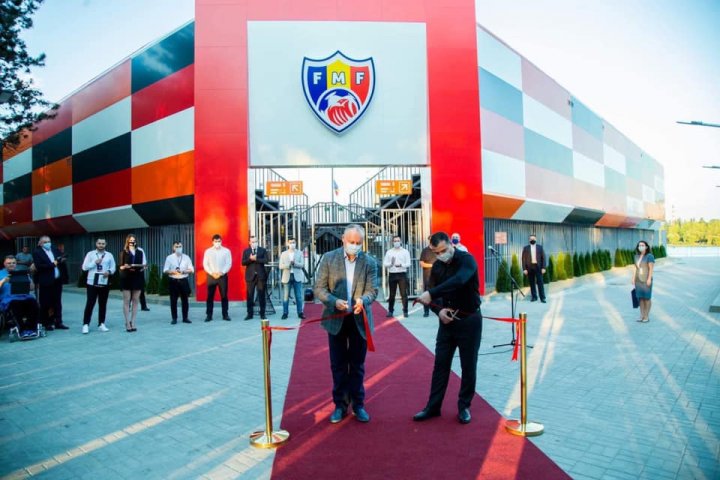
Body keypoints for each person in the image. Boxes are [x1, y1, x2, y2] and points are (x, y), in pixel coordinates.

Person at [415, 231, 482, 425]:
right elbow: (434, 297)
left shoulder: (466, 260)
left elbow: (459, 280)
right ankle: (433, 407)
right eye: (437, 252)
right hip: (447, 322)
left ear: (451, 245)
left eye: (444, 250)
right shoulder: (437, 266)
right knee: (441, 364)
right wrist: (439, 311)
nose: (442, 254)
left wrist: (431, 293)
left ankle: (464, 406)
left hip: (469, 320)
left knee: (468, 365)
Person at [314, 224, 378, 424]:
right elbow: (319, 288)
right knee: (338, 364)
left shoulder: (369, 262)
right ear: (343, 239)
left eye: (358, 243)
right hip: (336, 318)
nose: (355, 246)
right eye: (351, 242)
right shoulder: (328, 258)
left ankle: (358, 404)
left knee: (357, 365)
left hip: (359, 318)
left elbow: (372, 290)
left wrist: (363, 301)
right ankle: (340, 405)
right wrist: (334, 301)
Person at [32, 235, 68, 330]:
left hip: (57, 280)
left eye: (49, 241)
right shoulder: (37, 252)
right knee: (45, 303)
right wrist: (52, 264)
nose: (48, 243)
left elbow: (59, 259)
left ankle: (58, 322)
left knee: (57, 302)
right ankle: (46, 322)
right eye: (45, 242)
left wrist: (61, 260)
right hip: (46, 281)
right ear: (40, 243)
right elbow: (39, 266)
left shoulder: (54, 249)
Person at [81, 238, 116, 334]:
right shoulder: (90, 254)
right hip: (92, 282)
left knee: (103, 303)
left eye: (103, 243)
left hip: (104, 282)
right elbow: (84, 267)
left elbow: (113, 267)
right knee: (90, 303)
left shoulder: (109, 255)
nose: (101, 245)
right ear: (96, 244)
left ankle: (101, 323)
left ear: (106, 244)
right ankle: (85, 324)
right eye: (99, 243)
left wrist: (109, 272)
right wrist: (94, 263)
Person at [0, 255, 39, 337]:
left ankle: (31, 328)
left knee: (33, 302)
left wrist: (28, 278)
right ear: (4, 264)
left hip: (24, 297)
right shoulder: (1, 274)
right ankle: (22, 330)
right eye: (9, 263)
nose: (11, 264)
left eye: (13, 263)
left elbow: (31, 288)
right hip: (9, 299)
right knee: (15, 304)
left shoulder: (21, 273)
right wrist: (3, 281)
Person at [119, 234, 146, 332]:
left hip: (137, 277)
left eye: (134, 240)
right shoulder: (123, 252)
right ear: (127, 242)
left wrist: (143, 267)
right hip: (126, 277)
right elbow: (120, 266)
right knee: (127, 300)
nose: (132, 242)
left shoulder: (140, 252)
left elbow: (143, 264)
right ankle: (127, 322)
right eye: (130, 240)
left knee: (135, 300)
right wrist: (125, 267)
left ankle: (133, 322)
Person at [163, 241, 194, 325]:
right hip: (173, 281)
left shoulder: (186, 257)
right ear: (173, 248)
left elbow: (191, 269)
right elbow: (165, 270)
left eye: (180, 246)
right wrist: (173, 272)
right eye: (176, 246)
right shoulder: (169, 258)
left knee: (185, 300)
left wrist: (184, 271)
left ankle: (185, 318)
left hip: (183, 280)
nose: (178, 248)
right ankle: (174, 318)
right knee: (173, 301)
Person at [203, 234, 232, 321]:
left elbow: (229, 263)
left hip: (222, 276)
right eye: (216, 241)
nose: (217, 243)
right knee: (210, 297)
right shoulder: (208, 251)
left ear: (221, 241)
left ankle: (225, 314)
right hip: (211, 276)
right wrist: (212, 273)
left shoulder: (226, 251)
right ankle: (209, 315)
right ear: (212, 242)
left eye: (219, 241)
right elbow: (205, 264)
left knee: (224, 296)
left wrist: (222, 272)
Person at [382, 235, 411, 318]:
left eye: (398, 241)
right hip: (392, 274)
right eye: (395, 241)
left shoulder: (405, 251)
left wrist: (401, 265)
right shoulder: (389, 252)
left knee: (403, 294)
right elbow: (385, 263)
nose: (396, 242)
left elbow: (408, 263)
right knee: (392, 294)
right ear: (392, 242)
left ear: (400, 241)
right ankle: (390, 311)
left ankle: (405, 311)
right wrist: (390, 264)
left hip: (402, 274)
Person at [279, 237, 306, 320]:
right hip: (287, 277)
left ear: (296, 243)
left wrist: (295, 263)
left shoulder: (300, 253)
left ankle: (300, 313)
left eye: (294, 242)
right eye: (291, 243)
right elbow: (280, 266)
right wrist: (288, 265)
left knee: (298, 296)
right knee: (285, 296)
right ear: (288, 244)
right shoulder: (283, 254)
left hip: (297, 277)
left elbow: (302, 264)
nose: (292, 244)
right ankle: (285, 313)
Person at [241, 235, 267, 320]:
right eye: (252, 242)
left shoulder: (262, 250)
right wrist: (250, 259)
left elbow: (266, 260)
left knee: (261, 295)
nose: (254, 243)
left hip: (260, 276)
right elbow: (243, 262)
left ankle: (262, 314)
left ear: (257, 242)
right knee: (250, 295)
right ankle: (249, 314)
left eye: (255, 241)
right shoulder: (246, 251)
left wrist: (256, 259)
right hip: (250, 276)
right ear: (249, 242)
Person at [633, 240, 655, 323]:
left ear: (646, 246)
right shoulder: (636, 256)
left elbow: (651, 269)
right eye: (639, 245)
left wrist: (649, 279)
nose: (640, 247)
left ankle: (646, 316)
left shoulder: (650, 256)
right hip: (638, 280)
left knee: (647, 298)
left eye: (642, 245)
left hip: (646, 279)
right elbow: (635, 268)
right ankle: (641, 315)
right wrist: (633, 278)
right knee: (640, 298)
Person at [521, 234, 547, 303]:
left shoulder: (540, 247)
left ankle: (542, 298)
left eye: (533, 238)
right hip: (529, 267)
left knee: (540, 283)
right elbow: (523, 259)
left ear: (536, 239)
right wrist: (524, 269)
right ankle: (534, 297)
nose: (532, 240)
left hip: (538, 267)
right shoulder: (526, 248)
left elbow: (543, 258)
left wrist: (543, 267)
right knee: (532, 283)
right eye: (531, 239)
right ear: (529, 240)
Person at [419, 236, 438, 318]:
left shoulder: (438, 250)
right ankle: (426, 311)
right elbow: (422, 264)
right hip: (427, 277)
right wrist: (432, 265)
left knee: (438, 294)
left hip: (438, 277)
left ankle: (439, 310)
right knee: (426, 294)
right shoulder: (425, 251)